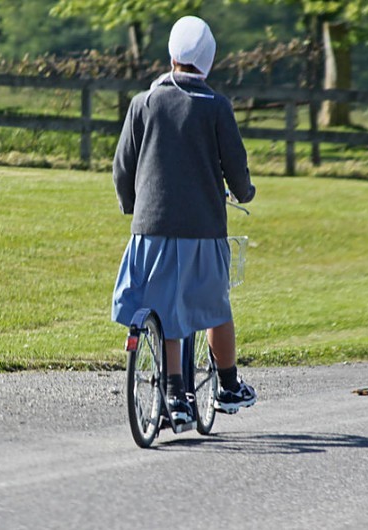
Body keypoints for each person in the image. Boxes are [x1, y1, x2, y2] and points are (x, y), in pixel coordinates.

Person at [111, 15, 257, 424]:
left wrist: (131, 205)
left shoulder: (143, 103)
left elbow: (123, 167)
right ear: (209, 59)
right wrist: (244, 193)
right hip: (202, 229)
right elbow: (235, 166)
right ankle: (227, 384)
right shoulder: (215, 107)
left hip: (150, 228)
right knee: (213, 306)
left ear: (171, 55)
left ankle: (175, 394)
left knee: (163, 304)